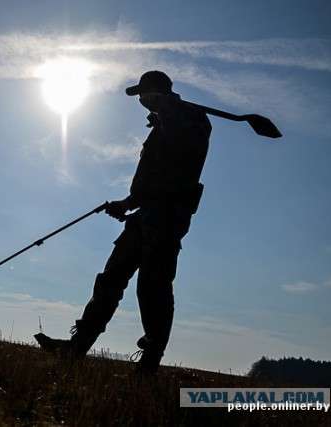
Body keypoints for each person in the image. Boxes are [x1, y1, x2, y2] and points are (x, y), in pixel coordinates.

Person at [35, 70, 211, 374]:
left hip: (168, 216)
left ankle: (149, 363)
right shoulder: (162, 124)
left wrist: (166, 107)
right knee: (111, 279)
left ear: (155, 93)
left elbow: (184, 153)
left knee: (152, 287)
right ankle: (77, 348)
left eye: (144, 94)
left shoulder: (193, 120)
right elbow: (154, 179)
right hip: (144, 214)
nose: (141, 101)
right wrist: (127, 203)